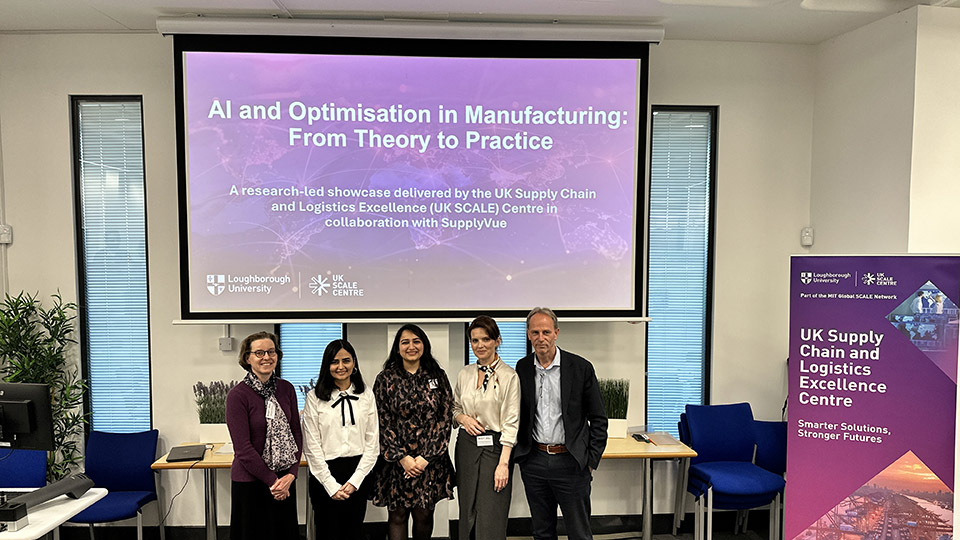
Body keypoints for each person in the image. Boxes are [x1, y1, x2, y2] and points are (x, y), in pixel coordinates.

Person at [513, 307, 608, 540]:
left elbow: (598, 418)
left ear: (556, 333)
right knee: (542, 531)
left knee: (579, 532)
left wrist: (590, 460)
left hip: (571, 462)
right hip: (534, 462)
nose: (540, 338)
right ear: (528, 334)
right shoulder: (522, 368)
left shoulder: (580, 368)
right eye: (535, 332)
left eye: (546, 332)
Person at [371, 324, 456, 540]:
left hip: (430, 461)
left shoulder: (438, 376)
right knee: (397, 516)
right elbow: (381, 421)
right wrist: (403, 458)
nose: (411, 346)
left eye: (416, 341)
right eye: (405, 342)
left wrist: (425, 458)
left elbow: (444, 418)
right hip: (396, 463)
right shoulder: (385, 379)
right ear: (397, 348)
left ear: (424, 345)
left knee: (424, 515)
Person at [226, 331, 302, 540]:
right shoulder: (237, 395)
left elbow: (296, 431)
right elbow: (243, 449)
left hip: (284, 478)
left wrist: (291, 475)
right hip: (251, 482)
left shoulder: (286, 389)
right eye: (259, 353)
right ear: (247, 357)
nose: (266, 357)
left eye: (271, 352)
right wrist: (273, 482)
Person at [302, 339, 379, 540]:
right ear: (327, 365)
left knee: (353, 531)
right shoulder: (314, 397)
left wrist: (355, 481)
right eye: (334, 361)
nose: (341, 366)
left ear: (354, 363)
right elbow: (311, 446)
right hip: (324, 474)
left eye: (346, 360)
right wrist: (331, 485)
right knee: (328, 532)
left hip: (358, 472)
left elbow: (373, 443)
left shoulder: (366, 394)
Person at [453, 316, 521, 540]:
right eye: (474, 340)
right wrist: (463, 418)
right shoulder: (465, 374)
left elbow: (511, 423)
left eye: (485, 339)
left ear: (497, 341)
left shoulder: (509, 376)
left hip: (496, 448)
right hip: (466, 447)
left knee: (492, 510)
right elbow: (453, 409)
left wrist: (504, 464)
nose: (480, 345)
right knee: (467, 508)